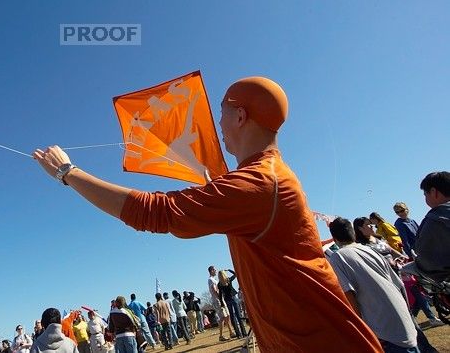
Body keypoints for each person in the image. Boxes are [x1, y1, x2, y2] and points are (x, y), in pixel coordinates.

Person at [34, 76, 381, 352]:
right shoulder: (262, 177)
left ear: (241, 116)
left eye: (222, 113)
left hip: (322, 343)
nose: (217, 123)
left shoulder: (259, 182)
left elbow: (157, 212)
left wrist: (69, 173)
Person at [327, 217, 435, 353]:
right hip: (403, 320)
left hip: (383, 328)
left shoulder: (338, 257)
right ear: (353, 233)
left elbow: (349, 293)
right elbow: (398, 283)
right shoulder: (371, 251)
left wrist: (360, 327)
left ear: (334, 237)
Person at [415, 171, 450, 283]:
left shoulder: (436, 219)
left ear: (434, 192)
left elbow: (428, 264)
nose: (425, 199)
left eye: (425, 194)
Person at [218, 269, 245, 338]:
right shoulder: (228, 280)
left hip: (227, 300)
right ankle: (244, 333)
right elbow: (236, 274)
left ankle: (238, 334)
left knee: (232, 317)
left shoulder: (219, 284)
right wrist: (229, 270)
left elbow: (220, 295)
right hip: (233, 298)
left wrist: (222, 304)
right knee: (238, 316)